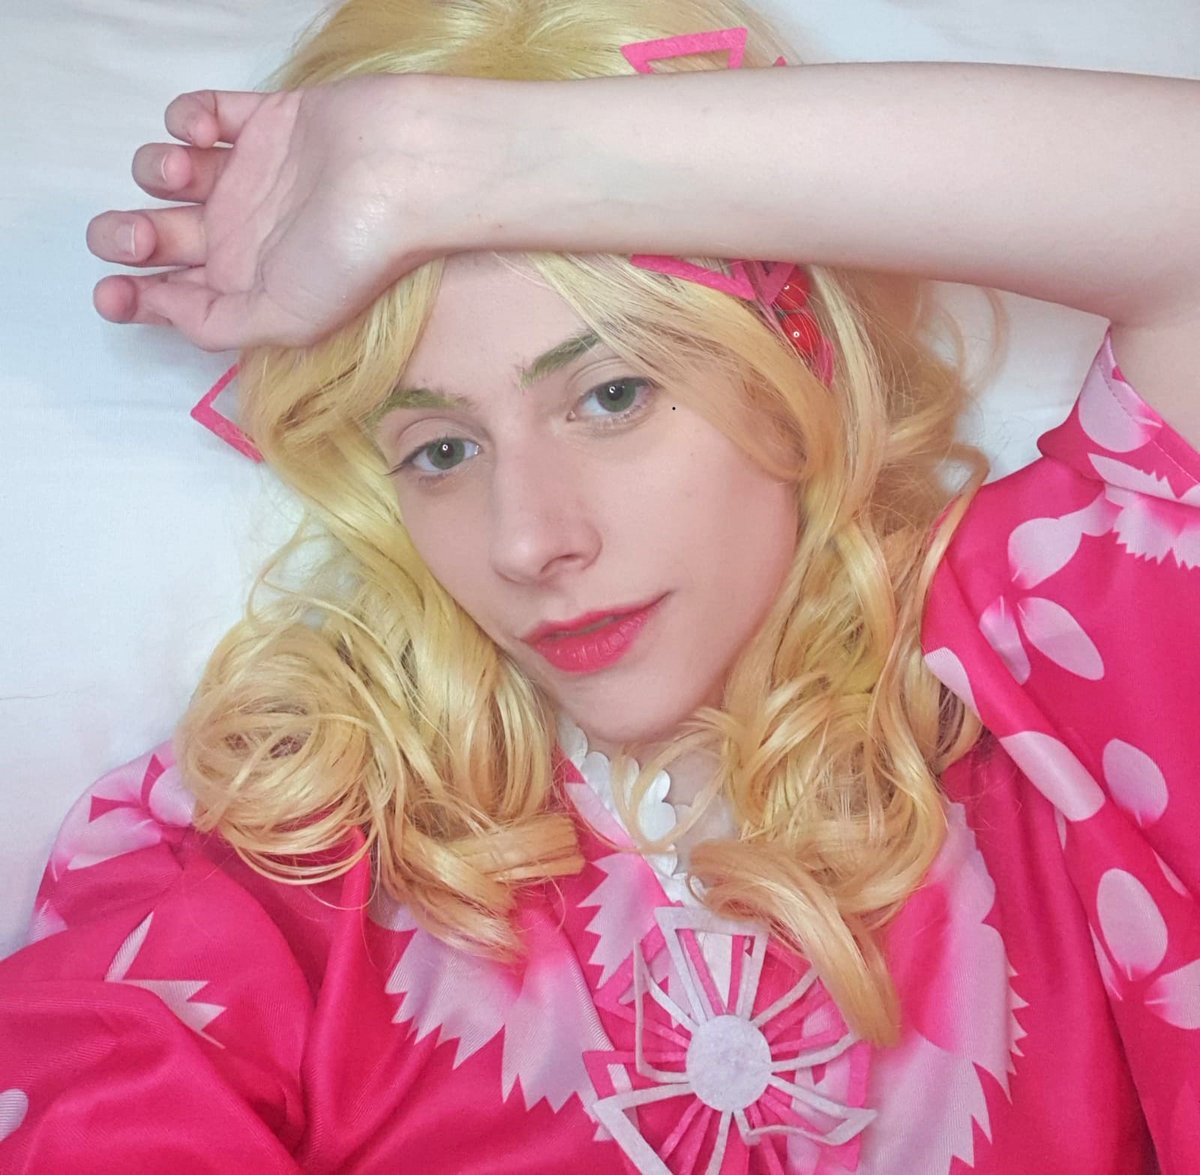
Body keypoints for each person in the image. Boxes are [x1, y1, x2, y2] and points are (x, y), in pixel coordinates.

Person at [2, 0, 1198, 1170]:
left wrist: (459, 164)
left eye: (612, 395)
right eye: (442, 450)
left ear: (797, 353)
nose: (529, 541)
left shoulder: (1048, 675)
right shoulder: (272, 851)